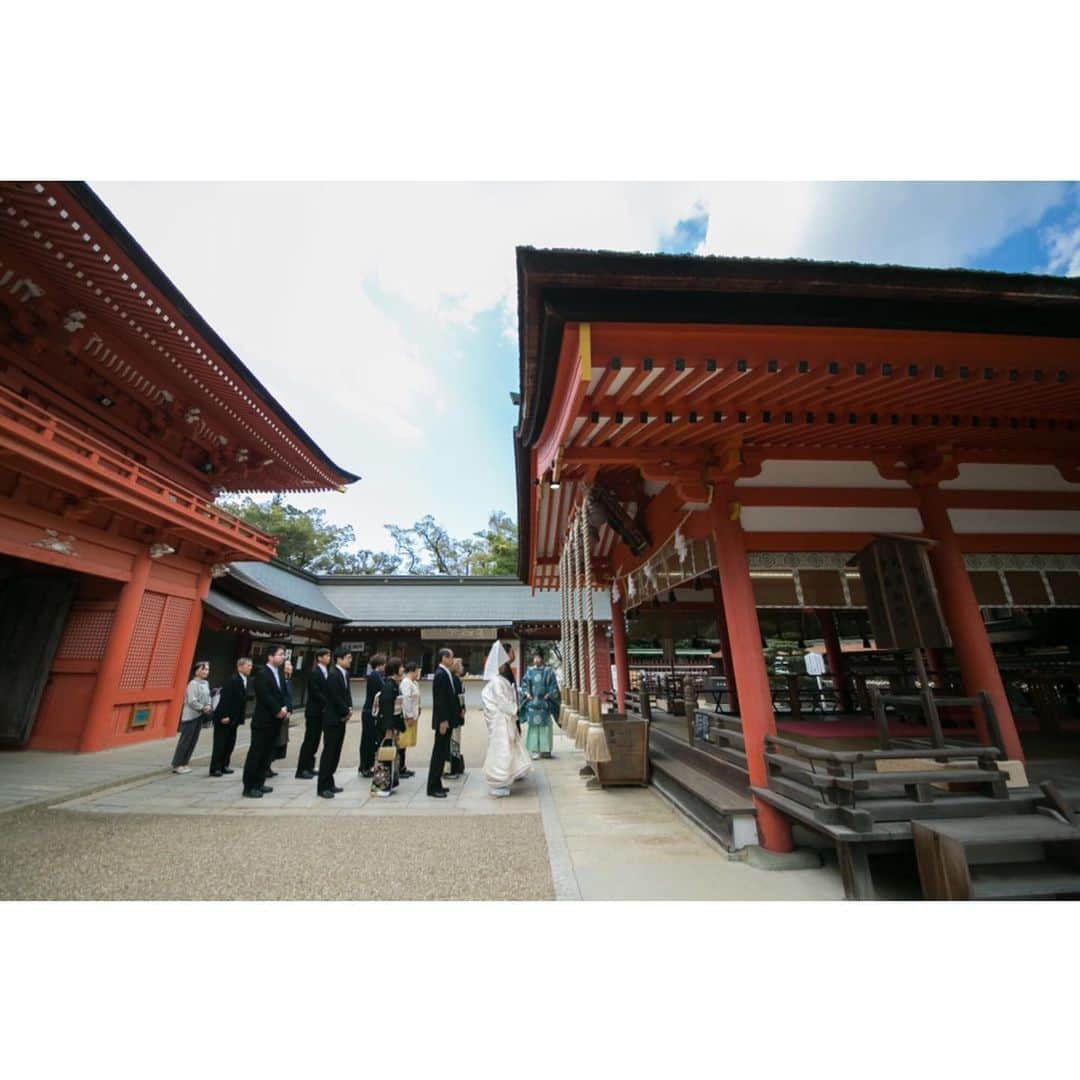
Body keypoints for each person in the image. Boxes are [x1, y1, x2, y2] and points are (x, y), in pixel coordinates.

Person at [480, 641, 531, 797]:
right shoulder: (497, 681)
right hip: (500, 722)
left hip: (505, 719)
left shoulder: (500, 680)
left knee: (509, 748)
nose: (505, 666)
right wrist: (515, 708)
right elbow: (502, 702)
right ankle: (497, 782)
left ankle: (509, 774)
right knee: (500, 750)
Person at [243, 646, 289, 798]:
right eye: (280, 654)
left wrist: (286, 708)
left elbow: (283, 693)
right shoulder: (262, 674)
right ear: (270, 657)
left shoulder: (280, 673)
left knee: (268, 753)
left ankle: (260, 782)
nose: (283, 657)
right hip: (264, 719)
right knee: (257, 752)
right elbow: (264, 695)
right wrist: (277, 710)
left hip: (276, 720)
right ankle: (249, 786)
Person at [317, 647, 353, 798]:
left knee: (336, 751)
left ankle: (330, 782)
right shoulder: (333, 675)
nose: (350, 660)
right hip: (333, 718)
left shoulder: (345, 674)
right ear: (339, 659)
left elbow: (347, 695)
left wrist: (349, 709)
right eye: (348, 658)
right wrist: (345, 711)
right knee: (329, 752)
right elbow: (335, 697)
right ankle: (322, 786)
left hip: (341, 718)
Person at [210, 656, 252, 776]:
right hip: (225, 716)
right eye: (248, 665)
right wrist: (224, 715)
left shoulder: (245, 680)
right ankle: (215, 767)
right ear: (240, 666)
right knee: (220, 743)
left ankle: (224, 764)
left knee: (230, 742)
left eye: (250, 665)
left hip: (235, 717)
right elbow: (225, 699)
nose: (250, 668)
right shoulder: (232, 679)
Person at [373, 657, 406, 796]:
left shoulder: (394, 684)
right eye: (401, 666)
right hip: (387, 726)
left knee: (391, 754)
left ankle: (389, 782)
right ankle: (381, 785)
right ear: (395, 669)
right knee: (385, 755)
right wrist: (388, 728)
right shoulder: (389, 686)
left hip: (393, 725)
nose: (403, 669)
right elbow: (387, 709)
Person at [296, 648, 331, 779]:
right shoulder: (315, 672)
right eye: (326, 656)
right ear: (319, 658)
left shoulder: (326, 671)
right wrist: (327, 702)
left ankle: (310, 766)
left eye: (329, 655)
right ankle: (302, 768)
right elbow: (315, 692)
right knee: (310, 739)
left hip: (322, 711)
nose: (328, 658)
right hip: (314, 710)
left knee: (316, 740)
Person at [172, 661, 212, 773]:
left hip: (200, 715)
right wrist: (202, 707)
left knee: (193, 740)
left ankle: (185, 762)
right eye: (203, 669)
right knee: (185, 741)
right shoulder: (192, 684)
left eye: (207, 669)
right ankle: (177, 764)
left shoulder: (206, 683)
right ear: (196, 670)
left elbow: (208, 696)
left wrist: (208, 704)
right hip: (191, 715)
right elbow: (191, 701)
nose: (205, 671)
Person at [521, 649, 561, 759]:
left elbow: (554, 686)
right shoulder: (529, 671)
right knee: (533, 727)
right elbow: (524, 685)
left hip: (544, 702)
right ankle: (534, 750)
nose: (536, 659)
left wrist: (550, 694)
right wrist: (527, 693)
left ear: (542, 659)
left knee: (545, 727)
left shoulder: (548, 672)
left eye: (538, 657)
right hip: (533, 703)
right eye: (535, 657)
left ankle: (546, 750)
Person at [427, 648, 456, 798]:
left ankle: (437, 783)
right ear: (444, 658)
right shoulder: (440, 674)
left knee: (443, 751)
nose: (453, 660)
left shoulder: (446, 673)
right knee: (438, 753)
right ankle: (432, 787)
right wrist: (443, 720)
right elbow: (440, 700)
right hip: (442, 720)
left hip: (448, 719)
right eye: (451, 657)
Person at [359, 653, 387, 777]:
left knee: (370, 739)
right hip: (370, 711)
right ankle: (365, 766)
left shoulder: (378, 676)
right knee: (368, 740)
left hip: (372, 711)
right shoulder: (375, 676)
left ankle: (367, 765)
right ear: (380, 665)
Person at [268, 658, 295, 775]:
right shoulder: (278, 680)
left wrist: (290, 710)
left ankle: (268, 765)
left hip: (285, 714)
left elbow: (289, 698)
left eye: (291, 665)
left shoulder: (288, 680)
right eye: (287, 665)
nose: (290, 667)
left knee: (280, 740)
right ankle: (266, 765)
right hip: (278, 713)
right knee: (273, 740)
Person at [397, 660, 421, 778]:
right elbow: (406, 699)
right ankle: (399, 768)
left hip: (414, 715)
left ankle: (403, 766)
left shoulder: (414, 682)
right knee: (402, 742)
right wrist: (409, 715)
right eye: (417, 671)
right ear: (412, 671)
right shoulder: (406, 682)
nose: (418, 674)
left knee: (406, 743)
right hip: (408, 717)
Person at [446, 656, 467, 779]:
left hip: (458, 713)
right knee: (454, 741)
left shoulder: (456, 679)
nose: (463, 668)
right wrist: (462, 709)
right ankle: (452, 768)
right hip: (456, 715)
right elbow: (458, 698)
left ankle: (454, 766)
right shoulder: (455, 680)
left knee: (455, 740)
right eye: (461, 665)